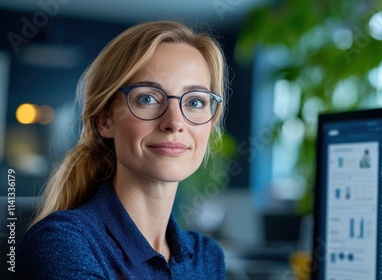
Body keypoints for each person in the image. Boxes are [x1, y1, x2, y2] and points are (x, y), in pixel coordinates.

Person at [16, 20, 227, 279]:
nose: (174, 123)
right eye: (147, 98)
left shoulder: (206, 257)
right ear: (105, 120)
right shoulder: (62, 243)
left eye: (195, 101)